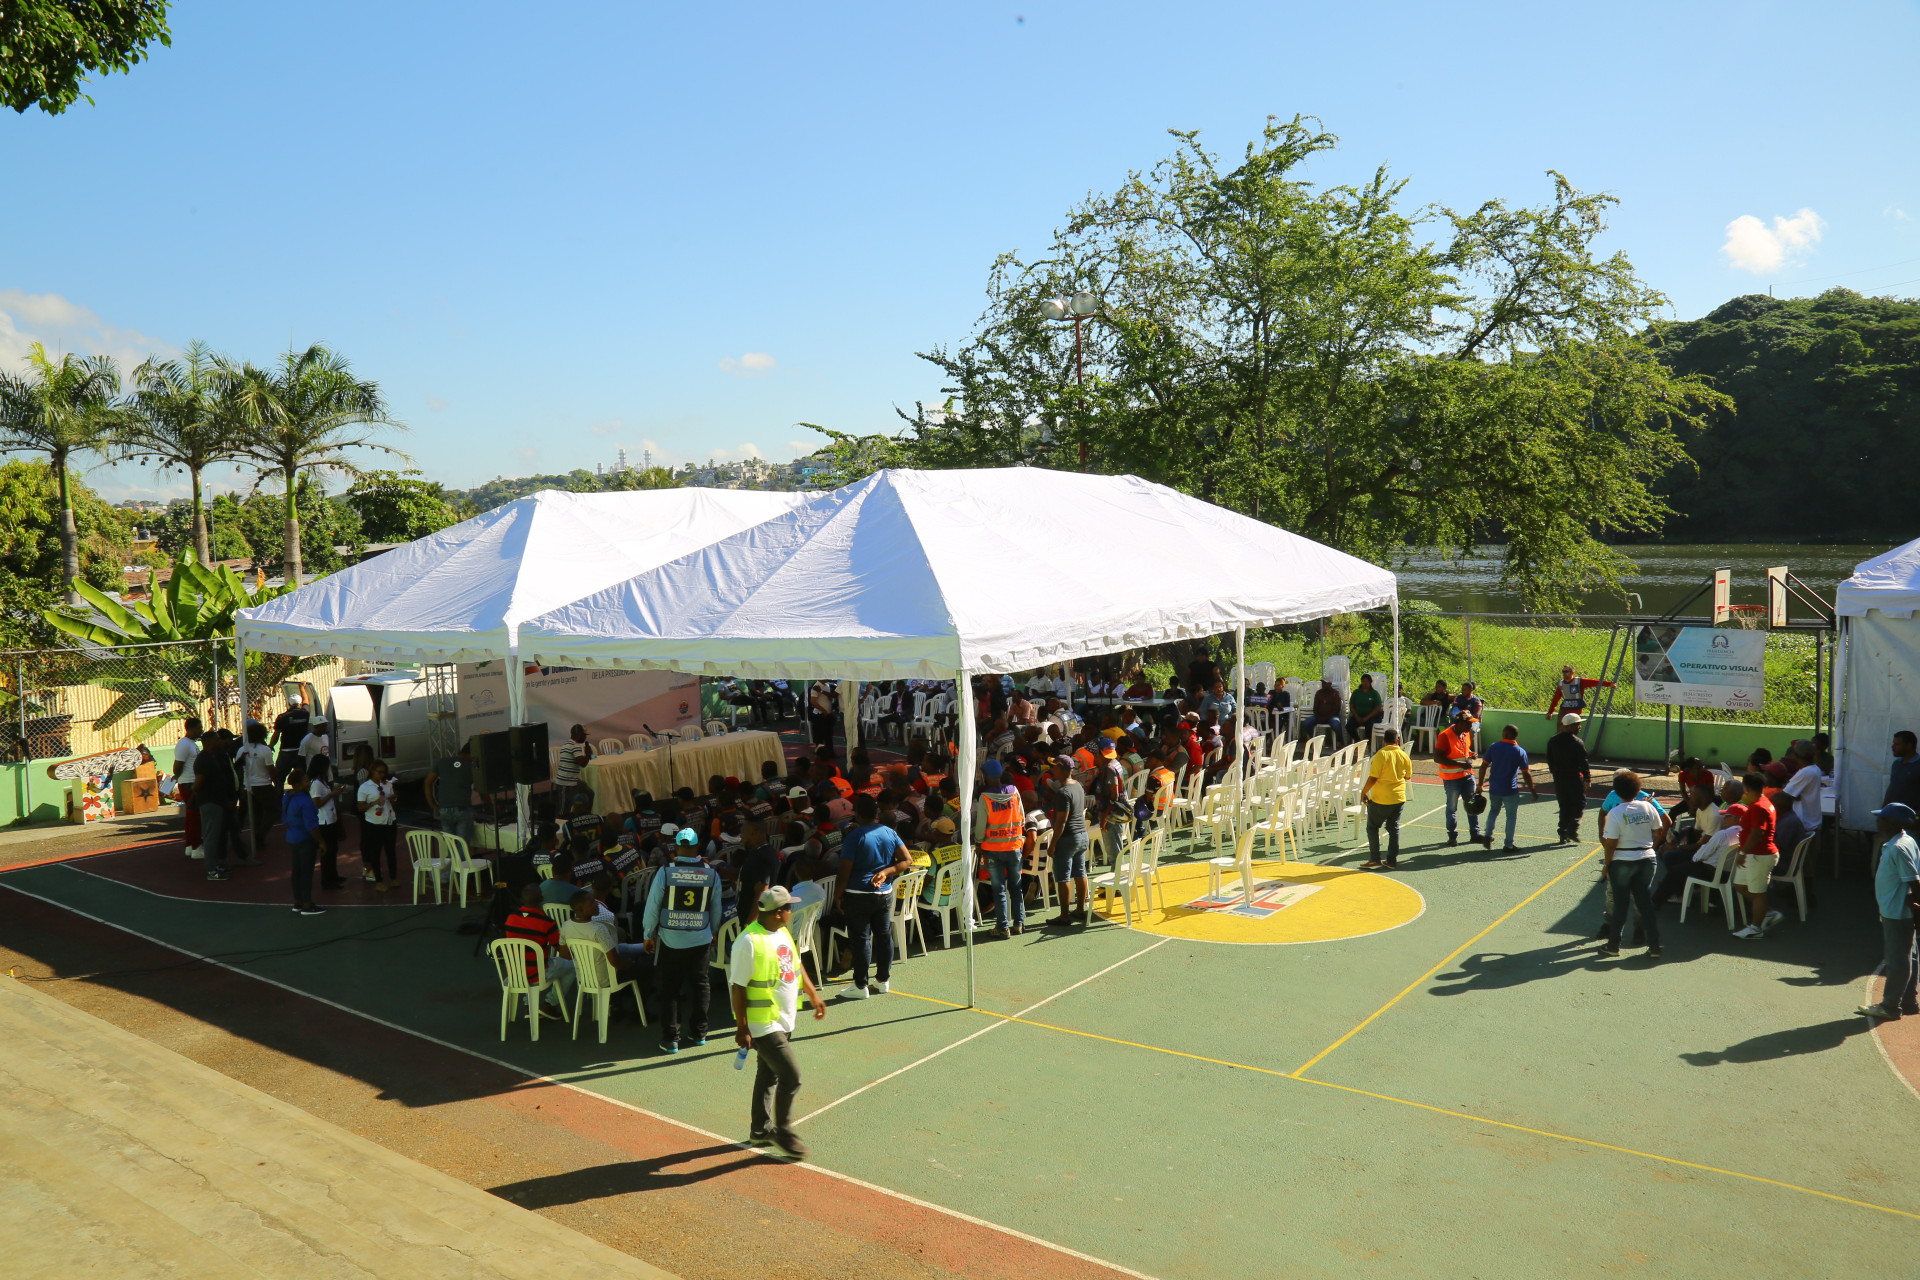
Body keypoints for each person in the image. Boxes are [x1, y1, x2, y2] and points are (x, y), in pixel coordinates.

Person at [729, 885, 826, 1158]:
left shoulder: (782, 932)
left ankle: (759, 1130)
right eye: (789, 907)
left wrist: (813, 994)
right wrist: (742, 1027)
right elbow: (738, 987)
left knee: (768, 1073)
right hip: (763, 1024)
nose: (792, 911)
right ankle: (783, 1133)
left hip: (783, 1020)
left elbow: (795, 965)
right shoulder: (748, 942)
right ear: (779, 912)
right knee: (791, 1077)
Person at [835, 792, 911, 998]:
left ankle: (860, 986)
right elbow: (907, 860)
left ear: (858, 814)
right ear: (876, 814)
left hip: (857, 895)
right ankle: (883, 980)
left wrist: (837, 896)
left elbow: (844, 873)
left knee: (861, 940)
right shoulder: (889, 832)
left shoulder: (854, 837)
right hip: (884, 894)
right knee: (884, 937)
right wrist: (887, 872)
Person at [1857, 803, 1920, 1022]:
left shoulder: (1898, 848)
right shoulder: (1906, 841)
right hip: (1898, 910)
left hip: (1897, 913)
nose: (1878, 821)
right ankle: (1909, 1001)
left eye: (1882, 818)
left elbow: (1914, 881)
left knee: (1897, 960)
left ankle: (1890, 1006)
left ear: (1892, 822)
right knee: (1910, 956)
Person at [1598, 771, 1668, 958]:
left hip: (1622, 861)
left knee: (1620, 904)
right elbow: (1659, 830)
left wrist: (1606, 866)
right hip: (1647, 859)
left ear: (1617, 791)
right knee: (1644, 903)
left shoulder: (1616, 813)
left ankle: (1613, 945)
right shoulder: (1648, 807)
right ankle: (1654, 946)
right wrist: (1649, 844)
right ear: (1638, 789)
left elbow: (1611, 844)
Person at [1731, 771, 1783, 940]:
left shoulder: (1758, 807)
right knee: (1740, 885)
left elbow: (1756, 834)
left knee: (1758, 893)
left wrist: (1743, 852)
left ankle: (1755, 929)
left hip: (1759, 856)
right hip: (1754, 855)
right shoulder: (1763, 802)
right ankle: (1768, 913)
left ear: (1745, 787)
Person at [503, 883, 573, 1008]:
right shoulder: (547, 923)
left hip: (515, 974)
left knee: (528, 961)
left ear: (522, 900)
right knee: (574, 966)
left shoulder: (510, 919)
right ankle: (550, 1004)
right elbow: (560, 949)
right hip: (537, 974)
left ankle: (529, 1005)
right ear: (542, 899)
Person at [975, 774, 1026, 939]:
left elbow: (981, 826)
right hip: (1014, 846)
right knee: (1016, 888)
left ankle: (1003, 927)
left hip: (993, 849)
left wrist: (978, 842)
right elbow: (1022, 817)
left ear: (986, 777)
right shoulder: (1014, 792)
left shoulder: (985, 798)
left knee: (999, 890)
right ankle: (1019, 924)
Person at [1476, 724, 1539, 852]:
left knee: (1493, 811)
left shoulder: (1494, 747)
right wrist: (1532, 790)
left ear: (1504, 734)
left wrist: (1480, 784)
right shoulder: (1520, 751)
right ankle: (1508, 845)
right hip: (1510, 789)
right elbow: (1526, 773)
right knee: (1511, 816)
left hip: (1494, 788)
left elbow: (1483, 766)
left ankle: (1487, 835)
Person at [1046, 754, 1091, 927]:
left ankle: (1064, 916)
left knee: (1063, 877)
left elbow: (1061, 822)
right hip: (1082, 836)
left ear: (1062, 769)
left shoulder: (1062, 792)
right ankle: (1079, 909)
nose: (1052, 769)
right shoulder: (1078, 785)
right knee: (1080, 873)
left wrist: (1053, 844)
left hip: (1068, 839)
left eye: (1055, 766)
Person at [1359, 728, 1412, 870]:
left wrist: (1364, 792)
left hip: (1381, 798)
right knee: (1393, 828)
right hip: (1399, 798)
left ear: (1383, 741)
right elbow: (1408, 777)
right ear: (1398, 741)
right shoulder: (1404, 755)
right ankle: (1391, 860)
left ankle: (1375, 858)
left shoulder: (1381, 755)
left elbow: (1373, 778)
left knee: (1372, 827)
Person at [193, 729, 238, 882]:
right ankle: (211, 870)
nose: (220, 742)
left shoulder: (212, 757)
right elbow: (199, 782)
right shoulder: (204, 759)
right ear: (210, 742)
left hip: (216, 802)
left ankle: (215, 866)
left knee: (215, 836)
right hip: (210, 803)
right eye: (217, 739)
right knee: (211, 838)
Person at [1434, 710, 1481, 846]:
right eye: (1468, 723)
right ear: (1459, 723)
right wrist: (1459, 764)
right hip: (1452, 779)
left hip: (1467, 776)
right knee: (1452, 808)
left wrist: (1471, 754)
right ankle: (1452, 836)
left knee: (1472, 804)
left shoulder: (1466, 733)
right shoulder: (1445, 736)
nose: (1470, 726)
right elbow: (1437, 758)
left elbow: (1463, 751)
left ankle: (1475, 834)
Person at [282, 765, 324, 916]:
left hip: (292, 837)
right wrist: (321, 841)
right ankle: (307, 904)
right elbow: (311, 825)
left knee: (297, 870)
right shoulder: (305, 801)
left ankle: (298, 902)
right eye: (306, 780)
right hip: (305, 839)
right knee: (306, 871)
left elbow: (285, 818)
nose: (309, 782)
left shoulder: (287, 797)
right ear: (300, 783)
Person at [234, 722, 277, 862]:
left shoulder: (242, 750)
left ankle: (257, 838)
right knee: (273, 810)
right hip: (263, 785)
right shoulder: (265, 750)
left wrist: (241, 786)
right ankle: (260, 835)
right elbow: (271, 769)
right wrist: (277, 784)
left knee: (255, 813)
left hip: (248, 786)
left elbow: (239, 769)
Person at [1545, 713, 1591, 844]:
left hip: (1559, 778)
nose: (1580, 727)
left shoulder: (1553, 740)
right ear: (1570, 726)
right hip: (1573, 777)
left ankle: (1562, 832)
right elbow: (1583, 762)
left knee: (1564, 804)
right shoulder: (1577, 742)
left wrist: (1554, 773)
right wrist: (1588, 778)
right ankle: (1572, 827)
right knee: (1579, 803)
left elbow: (1549, 759)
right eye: (1577, 724)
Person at [1775, 739, 1823, 856]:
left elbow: (1784, 796)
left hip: (1804, 823)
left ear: (1795, 755)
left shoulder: (1805, 773)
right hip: (1811, 821)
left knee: (1799, 857)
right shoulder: (1815, 769)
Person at [425, 742, 477, 850]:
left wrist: (433, 804)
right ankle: (461, 861)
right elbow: (482, 790)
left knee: (450, 846)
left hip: (444, 808)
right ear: (472, 753)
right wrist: (492, 807)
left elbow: (428, 782)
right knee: (462, 846)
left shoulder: (442, 762)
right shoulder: (471, 766)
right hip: (462, 808)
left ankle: (452, 861)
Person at [357, 760, 400, 890]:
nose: (382, 775)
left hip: (389, 820)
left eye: (384, 772)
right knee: (375, 851)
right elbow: (360, 807)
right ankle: (378, 881)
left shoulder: (387, 784)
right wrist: (374, 803)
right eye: (379, 772)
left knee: (391, 850)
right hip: (374, 823)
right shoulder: (365, 787)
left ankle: (393, 878)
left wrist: (393, 799)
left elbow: (392, 799)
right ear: (372, 771)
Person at [309, 754, 347, 890]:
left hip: (330, 819)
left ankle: (333, 875)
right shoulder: (316, 783)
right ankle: (327, 880)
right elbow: (316, 803)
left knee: (333, 849)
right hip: (323, 821)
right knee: (327, 851)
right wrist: (331, 794)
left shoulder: (322, 781)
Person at [174, 717, 203, 858]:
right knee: (194, 816)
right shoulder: (184, 744)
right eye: (199, 728)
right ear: (190, 729)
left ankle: (190, 845)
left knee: (192, 816)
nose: (201, 730)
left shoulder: (191, 743)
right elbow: (177, 766)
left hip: (191, 781)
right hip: (188, 783)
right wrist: (179, 776)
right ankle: (196, 847)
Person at [269, 693, 311, 790]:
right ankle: (302, 795)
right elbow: (306, 701)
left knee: (279, 777)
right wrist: (302, 688)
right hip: (300, 752)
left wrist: (271, 745)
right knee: (301, 777)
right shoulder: (306, 714)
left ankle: (279, 796)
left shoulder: (282, 717)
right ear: (300, 704)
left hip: (286, 752)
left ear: (288, 703)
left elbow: (276, 734)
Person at [1546, 665, 1614, 722]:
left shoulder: (1579, 681)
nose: (1564, 673)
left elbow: (1594, 682)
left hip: (1576, 711)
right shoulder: (1561, 684)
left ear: (1572, 672)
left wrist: (1609, 684)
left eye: (1566, 671)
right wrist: (1550, 712)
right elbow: (1556, 699)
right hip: (1564, 711)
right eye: (1563, 671)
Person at [554, 724, 592, 817]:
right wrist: (588, 754)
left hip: (571, 780)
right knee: (563, 810)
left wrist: (586, 755)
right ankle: (563, 821)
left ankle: (583, 815)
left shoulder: (566, 745)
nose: (585, 737)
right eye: (584, 735)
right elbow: (583, 764)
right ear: (578, 734)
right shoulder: (575, 746)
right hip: (566, 782)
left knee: (589, 792)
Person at [1886, 731, 1920, 813]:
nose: (1893, 746)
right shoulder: (1896, 764)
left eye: (1897, 744)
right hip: (1892, 813)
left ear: (1909, 745)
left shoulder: (1918, 765)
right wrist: (1883, 809)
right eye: (1893, 743)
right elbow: (1892, 787)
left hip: (1911, 816)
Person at [1305, 679, 1344, 745]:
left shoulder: (1335, 693)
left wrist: (1327, 717)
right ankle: (1313, 739)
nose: (1323, 685)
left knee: (1336, 725)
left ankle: (1339, 741)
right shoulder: (1319, 693)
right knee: (1306, 723)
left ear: (1330, 684)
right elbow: (1315, 707)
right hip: (1319, 716)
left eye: (1325, 683)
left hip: (1332, 716)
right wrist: (1318, 716)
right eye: (1323, 683)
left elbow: (1337, 709)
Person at [1348, 674, 1384, 742]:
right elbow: (1352, 706)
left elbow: (1378, 707)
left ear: (1370, 682)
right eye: (1363, 681)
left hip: (1372, 717)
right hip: (1358, 716)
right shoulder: (1356, 692)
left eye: (1367, 681)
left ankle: (1369, 743)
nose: (1365, 683)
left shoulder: (1374, 693)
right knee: (1349, 726)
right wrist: (1357, 717)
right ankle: (1358, 741)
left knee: (1369, 726)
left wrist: (1367, 717)